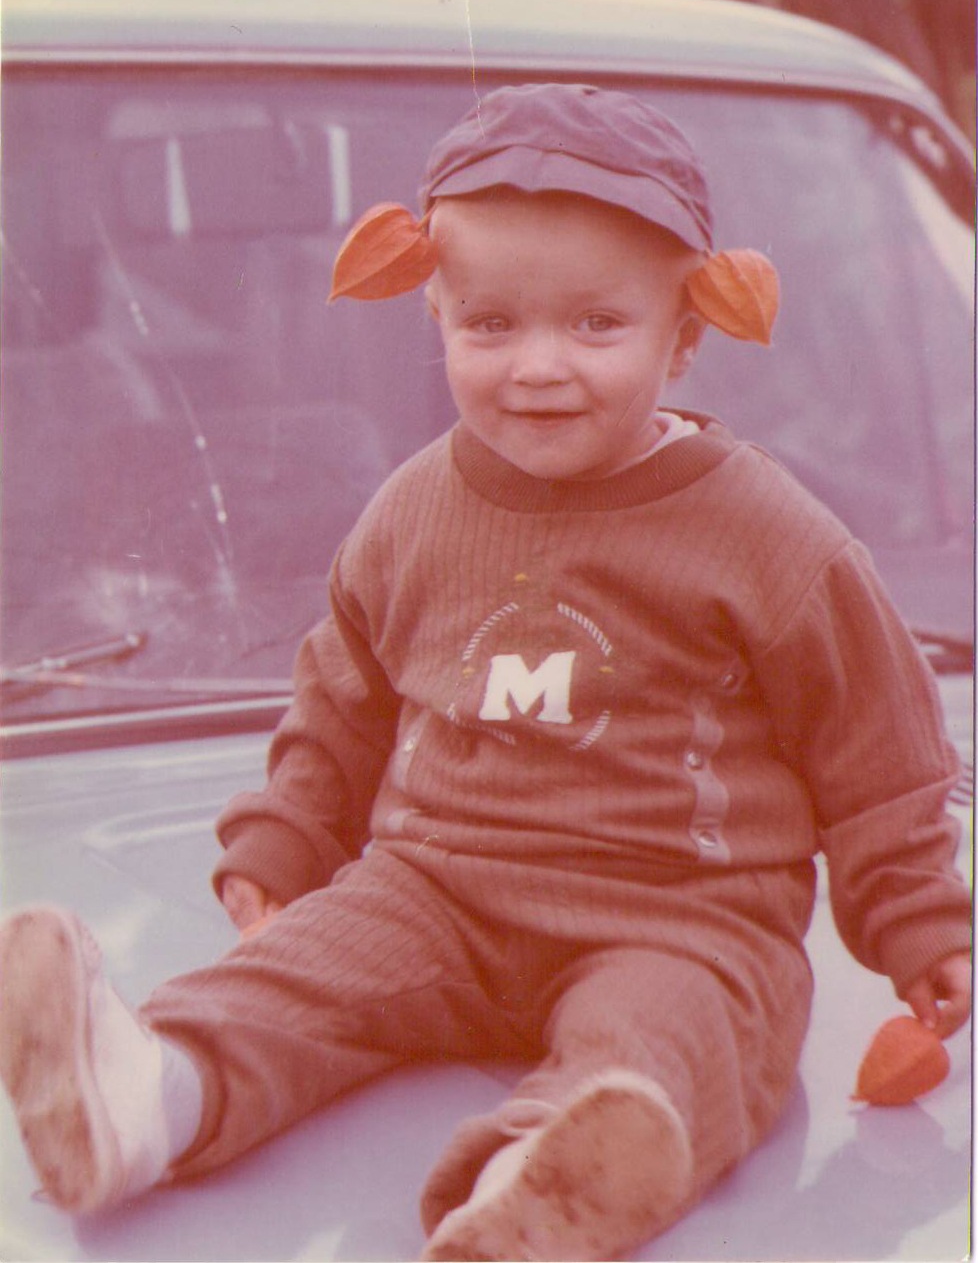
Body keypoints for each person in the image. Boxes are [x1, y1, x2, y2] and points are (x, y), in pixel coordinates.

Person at [0, 83, 971, 1262]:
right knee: (298, 970)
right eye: (491, 323)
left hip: (678, 910)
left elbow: (878, 748)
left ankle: (545, 1178)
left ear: (686, 332)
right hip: (436, 888)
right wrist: (284, 844)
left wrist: (917, 916)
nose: (538, 366)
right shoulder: (412, 509)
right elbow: (340, 700)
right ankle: (142, 1094)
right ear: (436, 314)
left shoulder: (771, 535)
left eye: (596, 325)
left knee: (685, 1023)